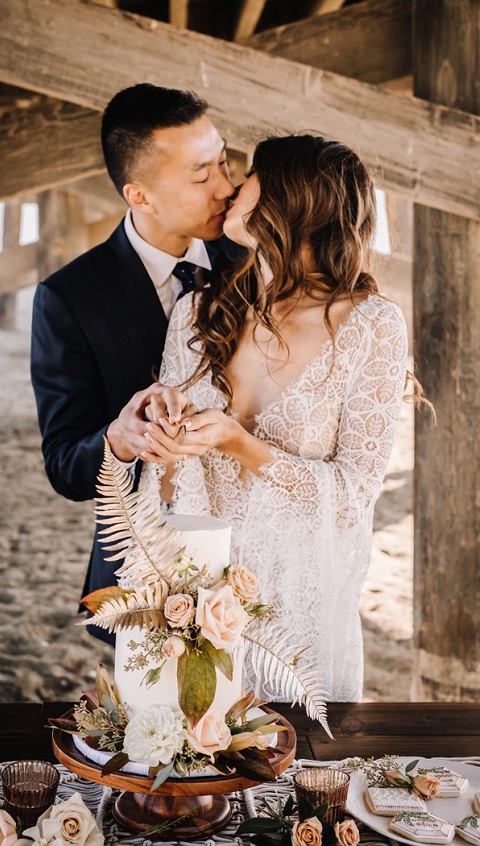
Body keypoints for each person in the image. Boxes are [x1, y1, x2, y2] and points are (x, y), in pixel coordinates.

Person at [138, 134, 413, 701]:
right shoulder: (198, 310)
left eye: (252, 175)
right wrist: (163, 435)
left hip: (297, 599)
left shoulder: (372, 327)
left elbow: (354, 494)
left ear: (292, 197)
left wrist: (241, 444)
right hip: (197, 589)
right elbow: (165, 486)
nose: (235, 187)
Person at [30, 84, 242, 642]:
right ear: (139, 196)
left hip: (253, 556)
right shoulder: (69, 297)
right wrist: (119, 441)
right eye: (201, 175)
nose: (227, 187)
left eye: (224, 161)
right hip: (142, 570)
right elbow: (64, 465)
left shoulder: (251, 257)